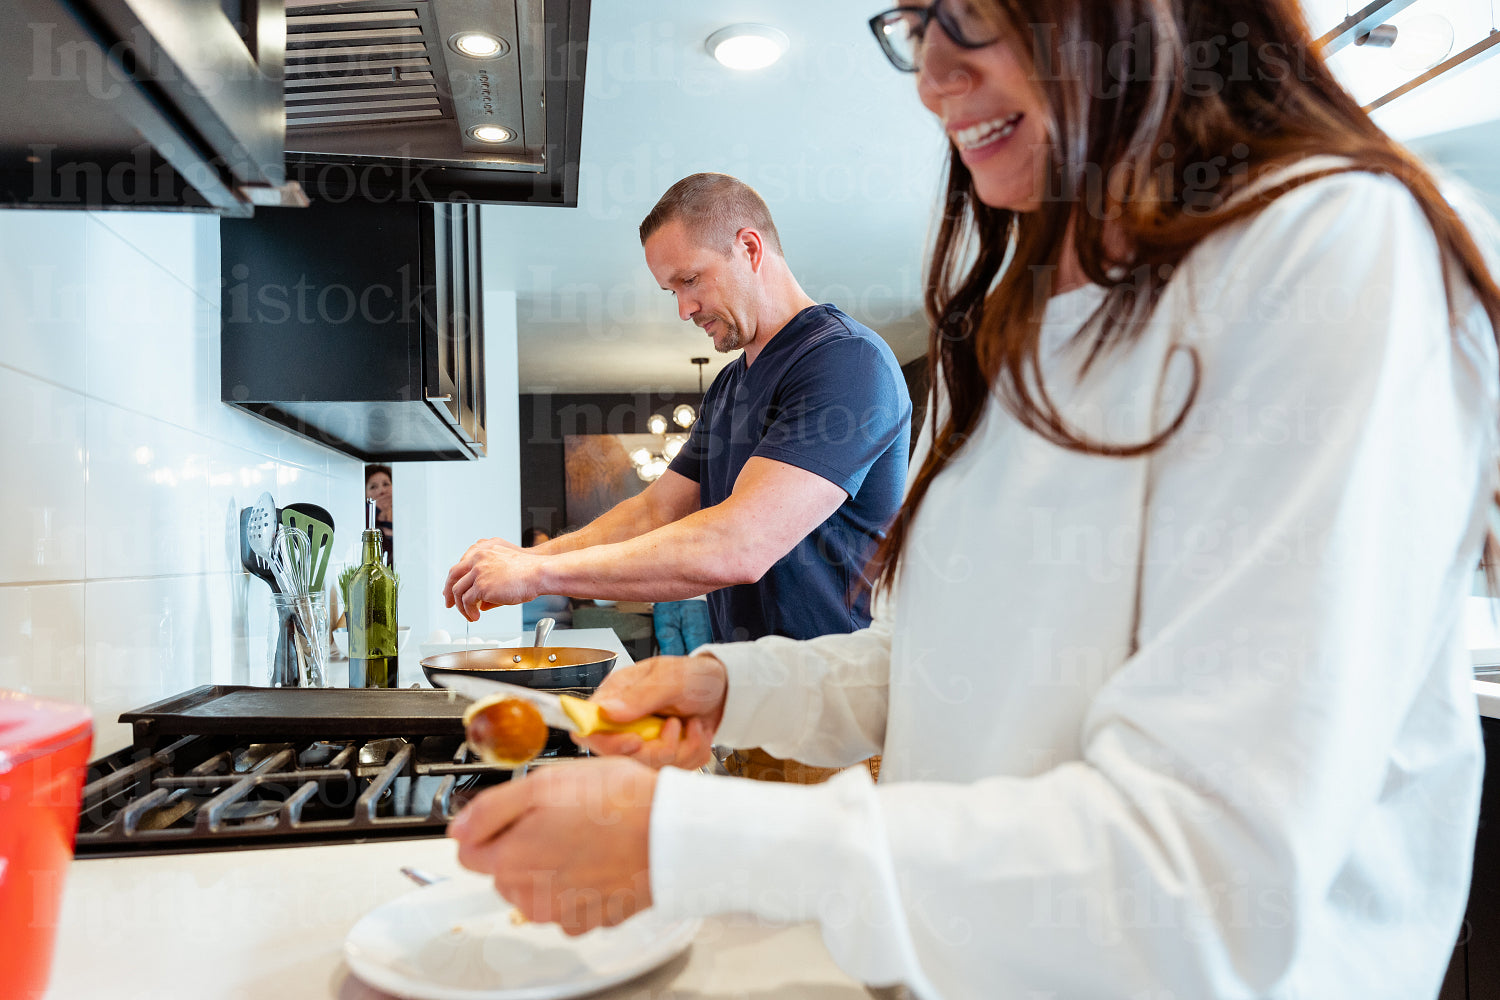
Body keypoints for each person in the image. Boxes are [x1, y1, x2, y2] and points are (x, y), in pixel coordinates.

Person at [447, 2, 1500, 997]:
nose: (934, 74)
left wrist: (678, 838)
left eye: (974, 12)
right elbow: (949, 661)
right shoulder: (1013, 322)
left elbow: (1202, 877)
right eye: (917, 24)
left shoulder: (1330, 252)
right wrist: (728, 684)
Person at [445, 174, 912, 778]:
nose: (685, 308)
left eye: (689, 280)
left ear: (749, 247)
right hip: (755, 714)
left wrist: (538, 571)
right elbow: (654, 509)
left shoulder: (844, 361)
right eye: (671, 291)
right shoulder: (730, 385)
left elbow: (741, 543)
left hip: (833, 732)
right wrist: (528, 554)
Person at [518, 527, 572, 629]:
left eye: (548, 547)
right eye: (540, 547)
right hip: (529, 636)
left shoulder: (559, 574)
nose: (546, 553)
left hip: (564, 633)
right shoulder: (519, 582)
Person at [364, 464, 394, 564]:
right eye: (373, 487)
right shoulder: (364, 519)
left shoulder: (405, 515)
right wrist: (375, 509)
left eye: (386, 484)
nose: (381, 491)